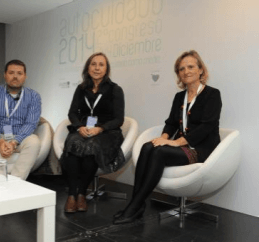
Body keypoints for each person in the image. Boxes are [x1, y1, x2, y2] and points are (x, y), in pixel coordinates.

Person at [113, 50, 222, 225]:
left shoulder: (212, 94)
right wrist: (162, 138)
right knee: (148, 147)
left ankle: (134, 206)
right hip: (181, 147)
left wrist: (174, 142)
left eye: (191, 67)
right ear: (178, 74)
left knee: (159, 153)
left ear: (201, 70)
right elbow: (171, 123)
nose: (186, 71)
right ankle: (136, 206)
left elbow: (206, 127)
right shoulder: (180, 96)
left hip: (201, 149)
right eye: (181, 69)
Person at [60, 52, 125, 213]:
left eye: (101, 64)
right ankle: (72, 195)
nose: (97, 68)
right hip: (84, 128)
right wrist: (79, 127)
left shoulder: (115, 90)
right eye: (93, 64)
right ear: (87, 68)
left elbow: (119, 119)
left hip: (106, 132)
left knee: (92, 148)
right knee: (73, 145)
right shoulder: (81, 89)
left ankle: (81, 193)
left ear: (106, 69)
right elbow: (72, 113)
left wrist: (100, 128)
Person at [0, 60, 41, 180]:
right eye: (11, 73)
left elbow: (31, 123)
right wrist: (0, 141)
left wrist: (14, 142)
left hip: (21, 139)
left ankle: (17, 182)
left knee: (34, 141)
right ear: (5, 75)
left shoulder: (33, 96)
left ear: (25, 76)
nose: (15, 76)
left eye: (19, 73)